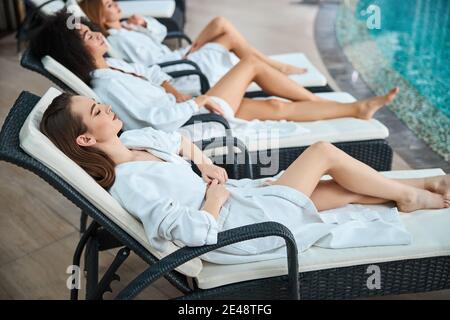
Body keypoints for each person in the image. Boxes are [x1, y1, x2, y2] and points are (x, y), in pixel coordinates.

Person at [39, 92, 450, 263]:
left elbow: (179, 141)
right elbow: (195, 230)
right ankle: (414, 195)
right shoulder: (130, 183)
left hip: (240, 198)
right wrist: (214, 199)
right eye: (96, 113)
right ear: (86, 138)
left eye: (98, 104)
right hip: (241, 227)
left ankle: (416, 190)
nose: (106, 109)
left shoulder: (137, 140)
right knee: (322, 152)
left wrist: (204, 165)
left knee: (336, 191)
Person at [30, 12, 399, 132]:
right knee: (251, 63)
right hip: (192, 124)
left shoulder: (114, 66)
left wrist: (180, 95)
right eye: (85, 35)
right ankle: (318, 100)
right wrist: (194, 103)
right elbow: (157, 120)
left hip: (190, 107)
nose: (94, 31)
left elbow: (153, 76)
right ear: (76, 51)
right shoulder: (107, 83)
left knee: (272, 107)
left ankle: (355, 110)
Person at [79, 0, 309, 94]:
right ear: (100, 14)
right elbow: (149, 64)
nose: (117, 4)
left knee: (225, 30)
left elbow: (161, 34)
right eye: (109, 4)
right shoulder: (118, 40)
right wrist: (187, 55)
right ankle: (275, 65)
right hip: (180, 69)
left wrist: (145, 24)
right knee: (224, 28)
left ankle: (274, 65)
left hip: (181, 57)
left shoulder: (130, 27)